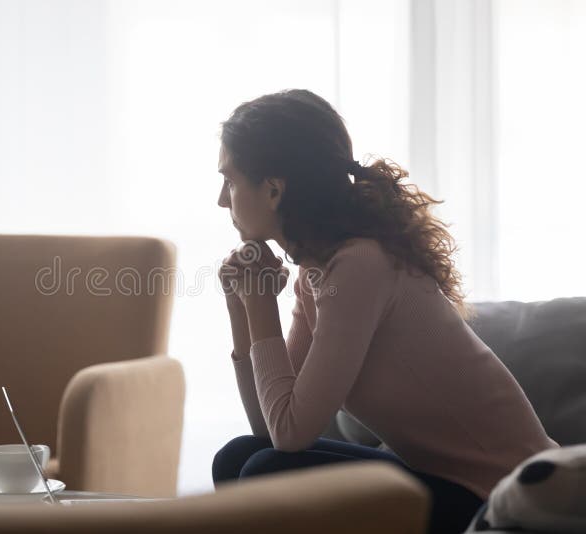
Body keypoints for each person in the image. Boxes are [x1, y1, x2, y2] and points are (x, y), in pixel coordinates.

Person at [213, 89, 558, 534]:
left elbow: (289, 434)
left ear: (274, 190)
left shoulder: (359, 265)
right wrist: (240, 307)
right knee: (240, 456)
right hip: (444, 482)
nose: (223, 199)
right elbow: (267, 424)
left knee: (263, 469)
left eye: (230, 180)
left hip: (508, 500)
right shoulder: (317, 273)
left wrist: (260, 304)